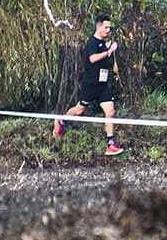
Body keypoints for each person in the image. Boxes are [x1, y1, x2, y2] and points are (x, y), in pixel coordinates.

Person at [52, 13, 124, 156]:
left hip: (102, 85)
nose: (108, 30)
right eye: (106, 27)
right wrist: (108, 51)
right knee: (79, 110)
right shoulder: (92, 42)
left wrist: (108, 48)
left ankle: (111, 144)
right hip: (91, 84)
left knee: (110, 111)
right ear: (98, 27)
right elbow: (92, 58)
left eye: (110, 28)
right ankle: (61, 121)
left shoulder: (103, 43)